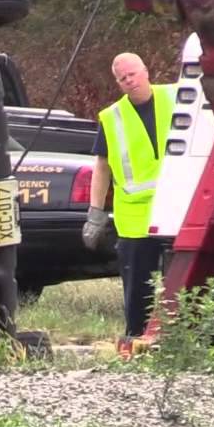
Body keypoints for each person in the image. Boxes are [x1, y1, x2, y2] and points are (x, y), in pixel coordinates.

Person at [83, 52, 173, 338]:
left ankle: (181, 343)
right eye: (123, 78)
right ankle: (135, 340)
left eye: (132, 74)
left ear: (146, 71)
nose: (129, 81)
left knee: (184, 283)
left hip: (176, 211)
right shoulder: (112, 118)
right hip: (135, 219)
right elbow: (102, 167)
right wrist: (95, 214)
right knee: (138, 289)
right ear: (118, 84)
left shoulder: (177, 97)